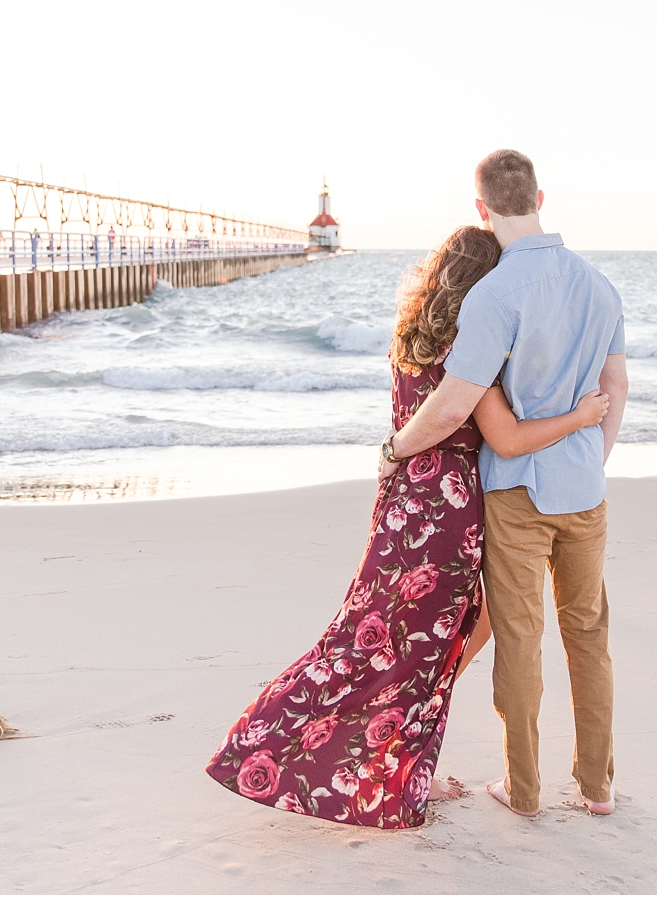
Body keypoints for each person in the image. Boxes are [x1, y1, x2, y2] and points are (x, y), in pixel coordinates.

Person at [205, 226, 610, 829]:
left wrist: (394, 452)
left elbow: (418, 420)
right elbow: (492, 431)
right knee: (423, 648)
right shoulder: (472, 354)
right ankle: (389, 770)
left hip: (402, 503)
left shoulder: (410, 337)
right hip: (449, 510)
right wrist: (580, 418)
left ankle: (372, 760)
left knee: (371, 637)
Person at [375, 149, 627, 819]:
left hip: (517, 489)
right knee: (588, 635)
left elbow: (456, 406)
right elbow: (616, 386)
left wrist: (395, 447)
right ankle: (598, 788)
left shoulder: (494, 294)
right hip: (584, 488)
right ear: (541, 194)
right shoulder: (599, 285)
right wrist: (589, 458)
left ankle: (524, 788)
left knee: (518, 637)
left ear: (482, 207)